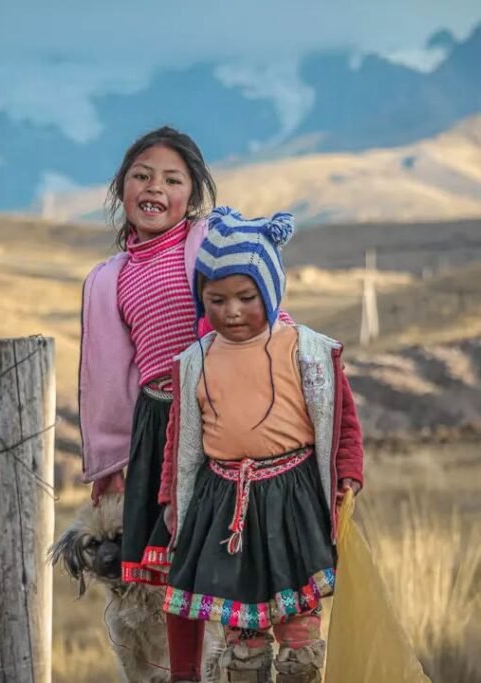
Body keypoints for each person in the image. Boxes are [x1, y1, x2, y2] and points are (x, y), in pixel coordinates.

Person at [152, 206, 365, 683]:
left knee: (299, 631)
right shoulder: (194, 362)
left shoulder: (304, 349)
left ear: (269, 291)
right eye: (216, 299)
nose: (231, 311)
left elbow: (343, 419)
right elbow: (179, 439)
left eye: (246, 297)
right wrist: (171, 495)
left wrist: (348, 471)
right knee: (240, 637)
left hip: (292, 501)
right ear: (200, 300)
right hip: (224, 506)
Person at [77, 126, 217, 682]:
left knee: (222, 561)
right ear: (122, 188)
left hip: (218, 420)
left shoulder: (211, 246)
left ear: (192, 196)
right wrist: (112, 467)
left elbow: (257, 306)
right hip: (156, 432)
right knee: (166, 578)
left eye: (172, 178)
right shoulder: (109, 280)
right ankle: (181, 673)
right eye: (141, 175)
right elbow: (111, 381)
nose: (154, 186)